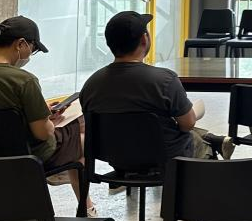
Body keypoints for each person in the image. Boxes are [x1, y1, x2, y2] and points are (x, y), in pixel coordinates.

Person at [80, 11, 232, 165]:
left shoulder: (91, 85)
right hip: (166, 160)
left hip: (117, 158)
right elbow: (187, 125)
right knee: (200, 144)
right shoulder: (164, 80)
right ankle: (212, 145)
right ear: (144, 39)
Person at [0, 16, 90, 212]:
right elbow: (43, 133)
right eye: (33, 49)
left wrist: (40, 113)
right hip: (30, 156)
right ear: (20, 44)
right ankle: (85, 207)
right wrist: (49, 121)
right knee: (80, 132)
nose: (31, 54)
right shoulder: (24, 81)